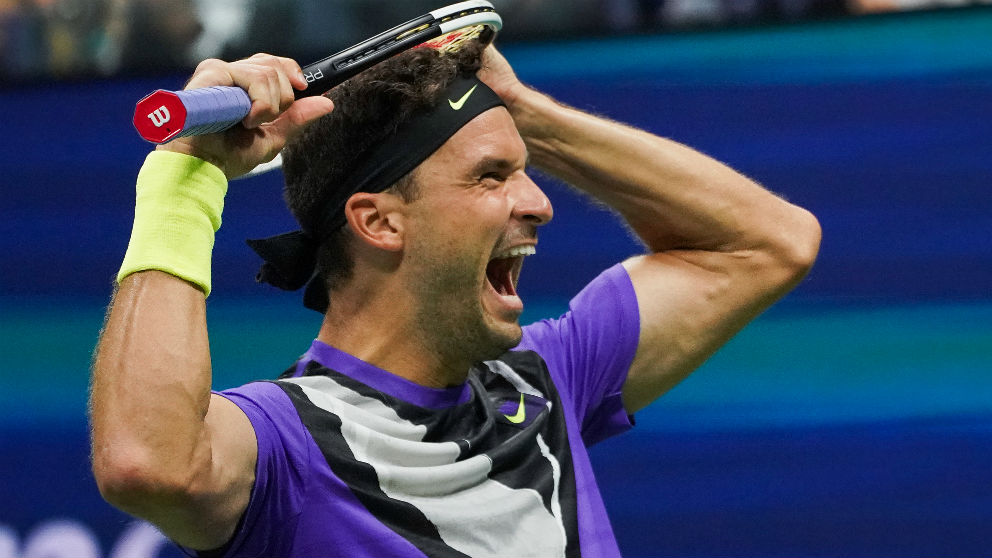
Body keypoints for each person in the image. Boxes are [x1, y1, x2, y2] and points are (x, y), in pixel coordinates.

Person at [90, 39, 820, 557]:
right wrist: (185, 177)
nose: (540, 202)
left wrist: (524, 111)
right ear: (378, 221)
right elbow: (148, 463)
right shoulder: (289, 446)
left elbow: (770, 243)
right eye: (492, 176)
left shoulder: (551, 376)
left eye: (524, 171)